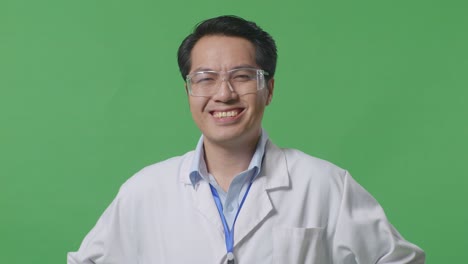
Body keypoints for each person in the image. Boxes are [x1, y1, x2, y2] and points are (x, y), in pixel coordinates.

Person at [67, 15, 425, 263]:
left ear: (268, 89)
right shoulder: (144, 191)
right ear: (189, 91)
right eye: (205, 78)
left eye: (241, 76)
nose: (223, 94)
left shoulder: (326, 185)